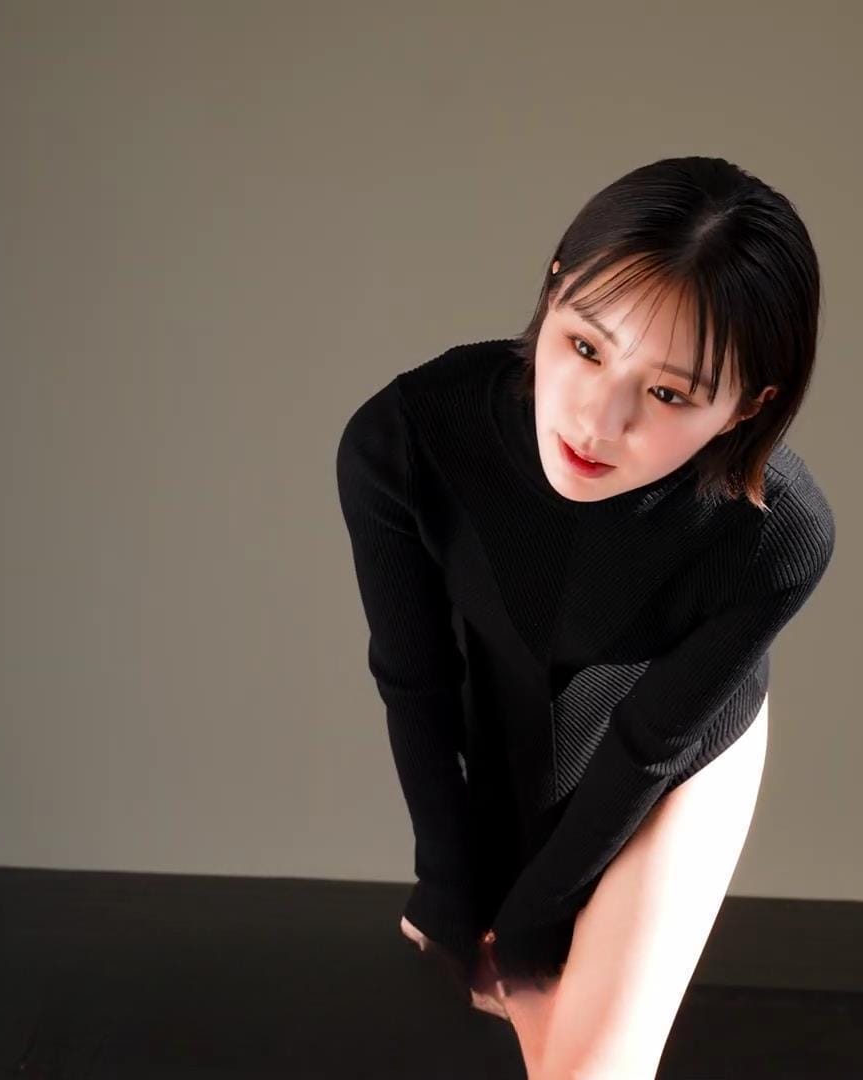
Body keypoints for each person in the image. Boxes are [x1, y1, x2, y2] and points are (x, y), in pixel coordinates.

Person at [336, 155, 834, 1079]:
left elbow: (647, 744)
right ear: (554, 285)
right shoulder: (402, 438)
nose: (598, 421)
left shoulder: (778, 535)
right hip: (504, 716)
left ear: (750, 406)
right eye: (586, 347)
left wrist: (533, 920)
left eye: (669, 393)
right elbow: (415, 680)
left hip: (677, 752)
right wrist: (451, 882)